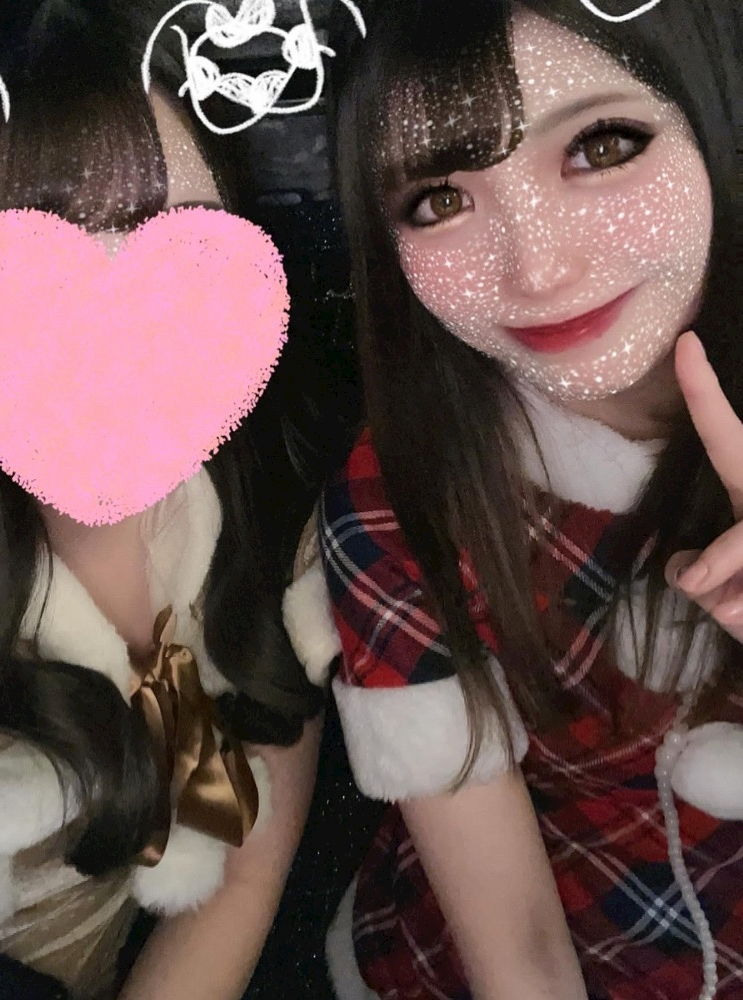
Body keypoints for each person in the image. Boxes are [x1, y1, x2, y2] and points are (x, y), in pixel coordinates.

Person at [319, 0, 743, 997]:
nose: (537, 269)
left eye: (601, 145)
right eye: (438, 200)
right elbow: (518, 953)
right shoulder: (399, 499)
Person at [0, 2, 330, 998]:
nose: (115, 325)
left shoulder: (264, 516)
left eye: (174, 244)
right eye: (27, 265)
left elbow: (239, 869)